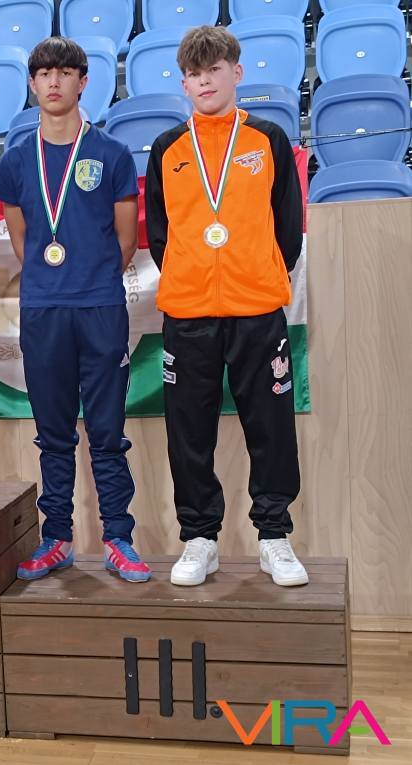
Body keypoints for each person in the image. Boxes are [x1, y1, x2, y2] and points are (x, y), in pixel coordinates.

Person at [145, 26, 307, 587]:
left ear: (236, 72)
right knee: (188, 430)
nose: (205, 81)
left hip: (257, 308)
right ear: (184, 83)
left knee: (271, 426)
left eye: (214, 69)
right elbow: (160, 234)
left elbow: (288, 225)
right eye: (194, 74)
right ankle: (200, 538)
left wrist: (257, 271)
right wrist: (192, 272)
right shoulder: (168, 148)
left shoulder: (268, 139)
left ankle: (274, 536)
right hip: (188, 311)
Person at [0, 37, 151, 583]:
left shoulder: (112, 154)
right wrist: (52, 276)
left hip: (100, 307)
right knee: (53, 434)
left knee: (107, 434)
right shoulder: (16, 161)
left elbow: (126, 240)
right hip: (44, 310)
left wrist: (90, 279)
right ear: (32, 84)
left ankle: (119, 538)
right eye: (43, 74)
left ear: (84, 82)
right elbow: (22, 241)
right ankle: (56, 537)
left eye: (64, 73)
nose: (53, 82)